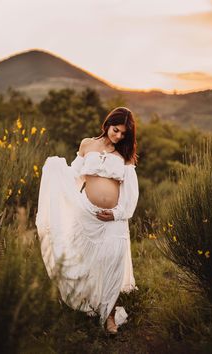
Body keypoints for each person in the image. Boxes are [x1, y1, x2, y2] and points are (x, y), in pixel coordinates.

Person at [35, 106, 139, 334]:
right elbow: (75, 175)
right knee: (87, 263)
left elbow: (131, 192)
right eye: (116, 130)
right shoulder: (87, 144)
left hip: (113, 220)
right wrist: (56, 169)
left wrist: (117, 213)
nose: (119, 136)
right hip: (87, 214)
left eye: (123, 134)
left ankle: (110, 315)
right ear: (107, 124)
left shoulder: (124, 154)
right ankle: (87, 303)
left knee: (112, 263)